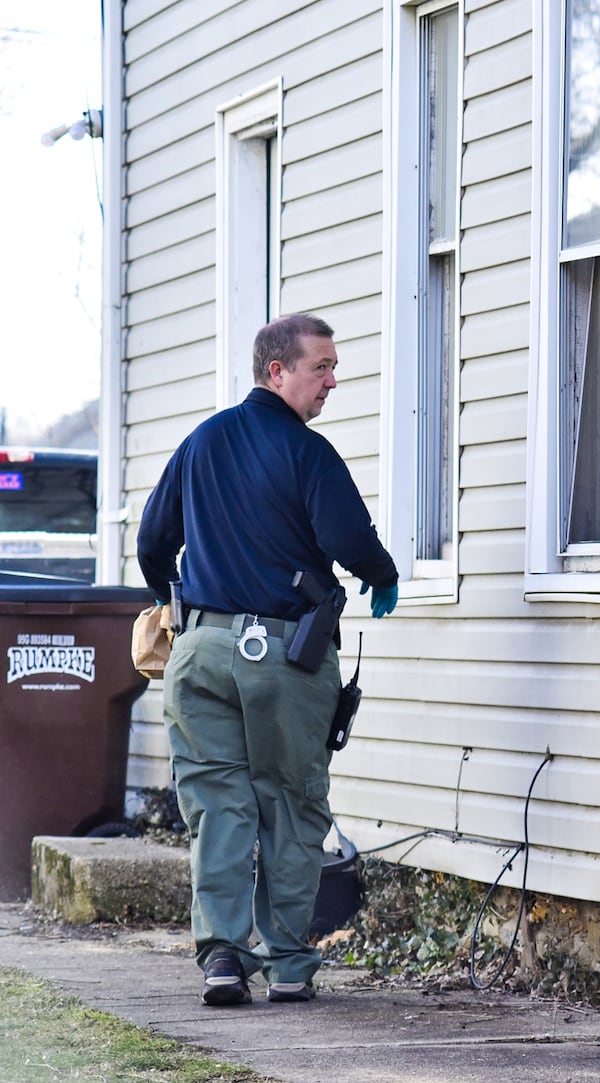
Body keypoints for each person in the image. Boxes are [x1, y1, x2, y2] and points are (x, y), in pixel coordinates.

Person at [137, 313, 400, 1005]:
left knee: (218, 804)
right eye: (321, 366)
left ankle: (223, 955)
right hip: (284, 654)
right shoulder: (307, 453)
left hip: (196, 653)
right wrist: (383, 573)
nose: (332, 380)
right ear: (276, 370)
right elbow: (350, 537)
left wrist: (182, 608)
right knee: (290, 802)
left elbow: (151, 543)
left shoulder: (200, 443)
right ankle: (286, 964)